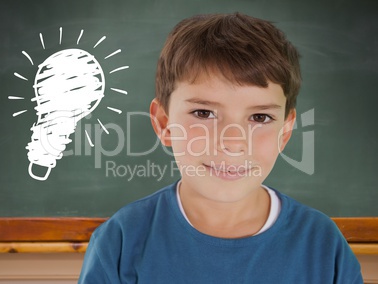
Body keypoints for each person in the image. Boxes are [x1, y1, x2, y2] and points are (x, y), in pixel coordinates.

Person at [79, 12, 362, 283]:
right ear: (164, 123)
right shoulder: (121, 241)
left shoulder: (323, 245)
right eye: (204, 113)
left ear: (285, 132)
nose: (232, 142)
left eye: (260, 117)